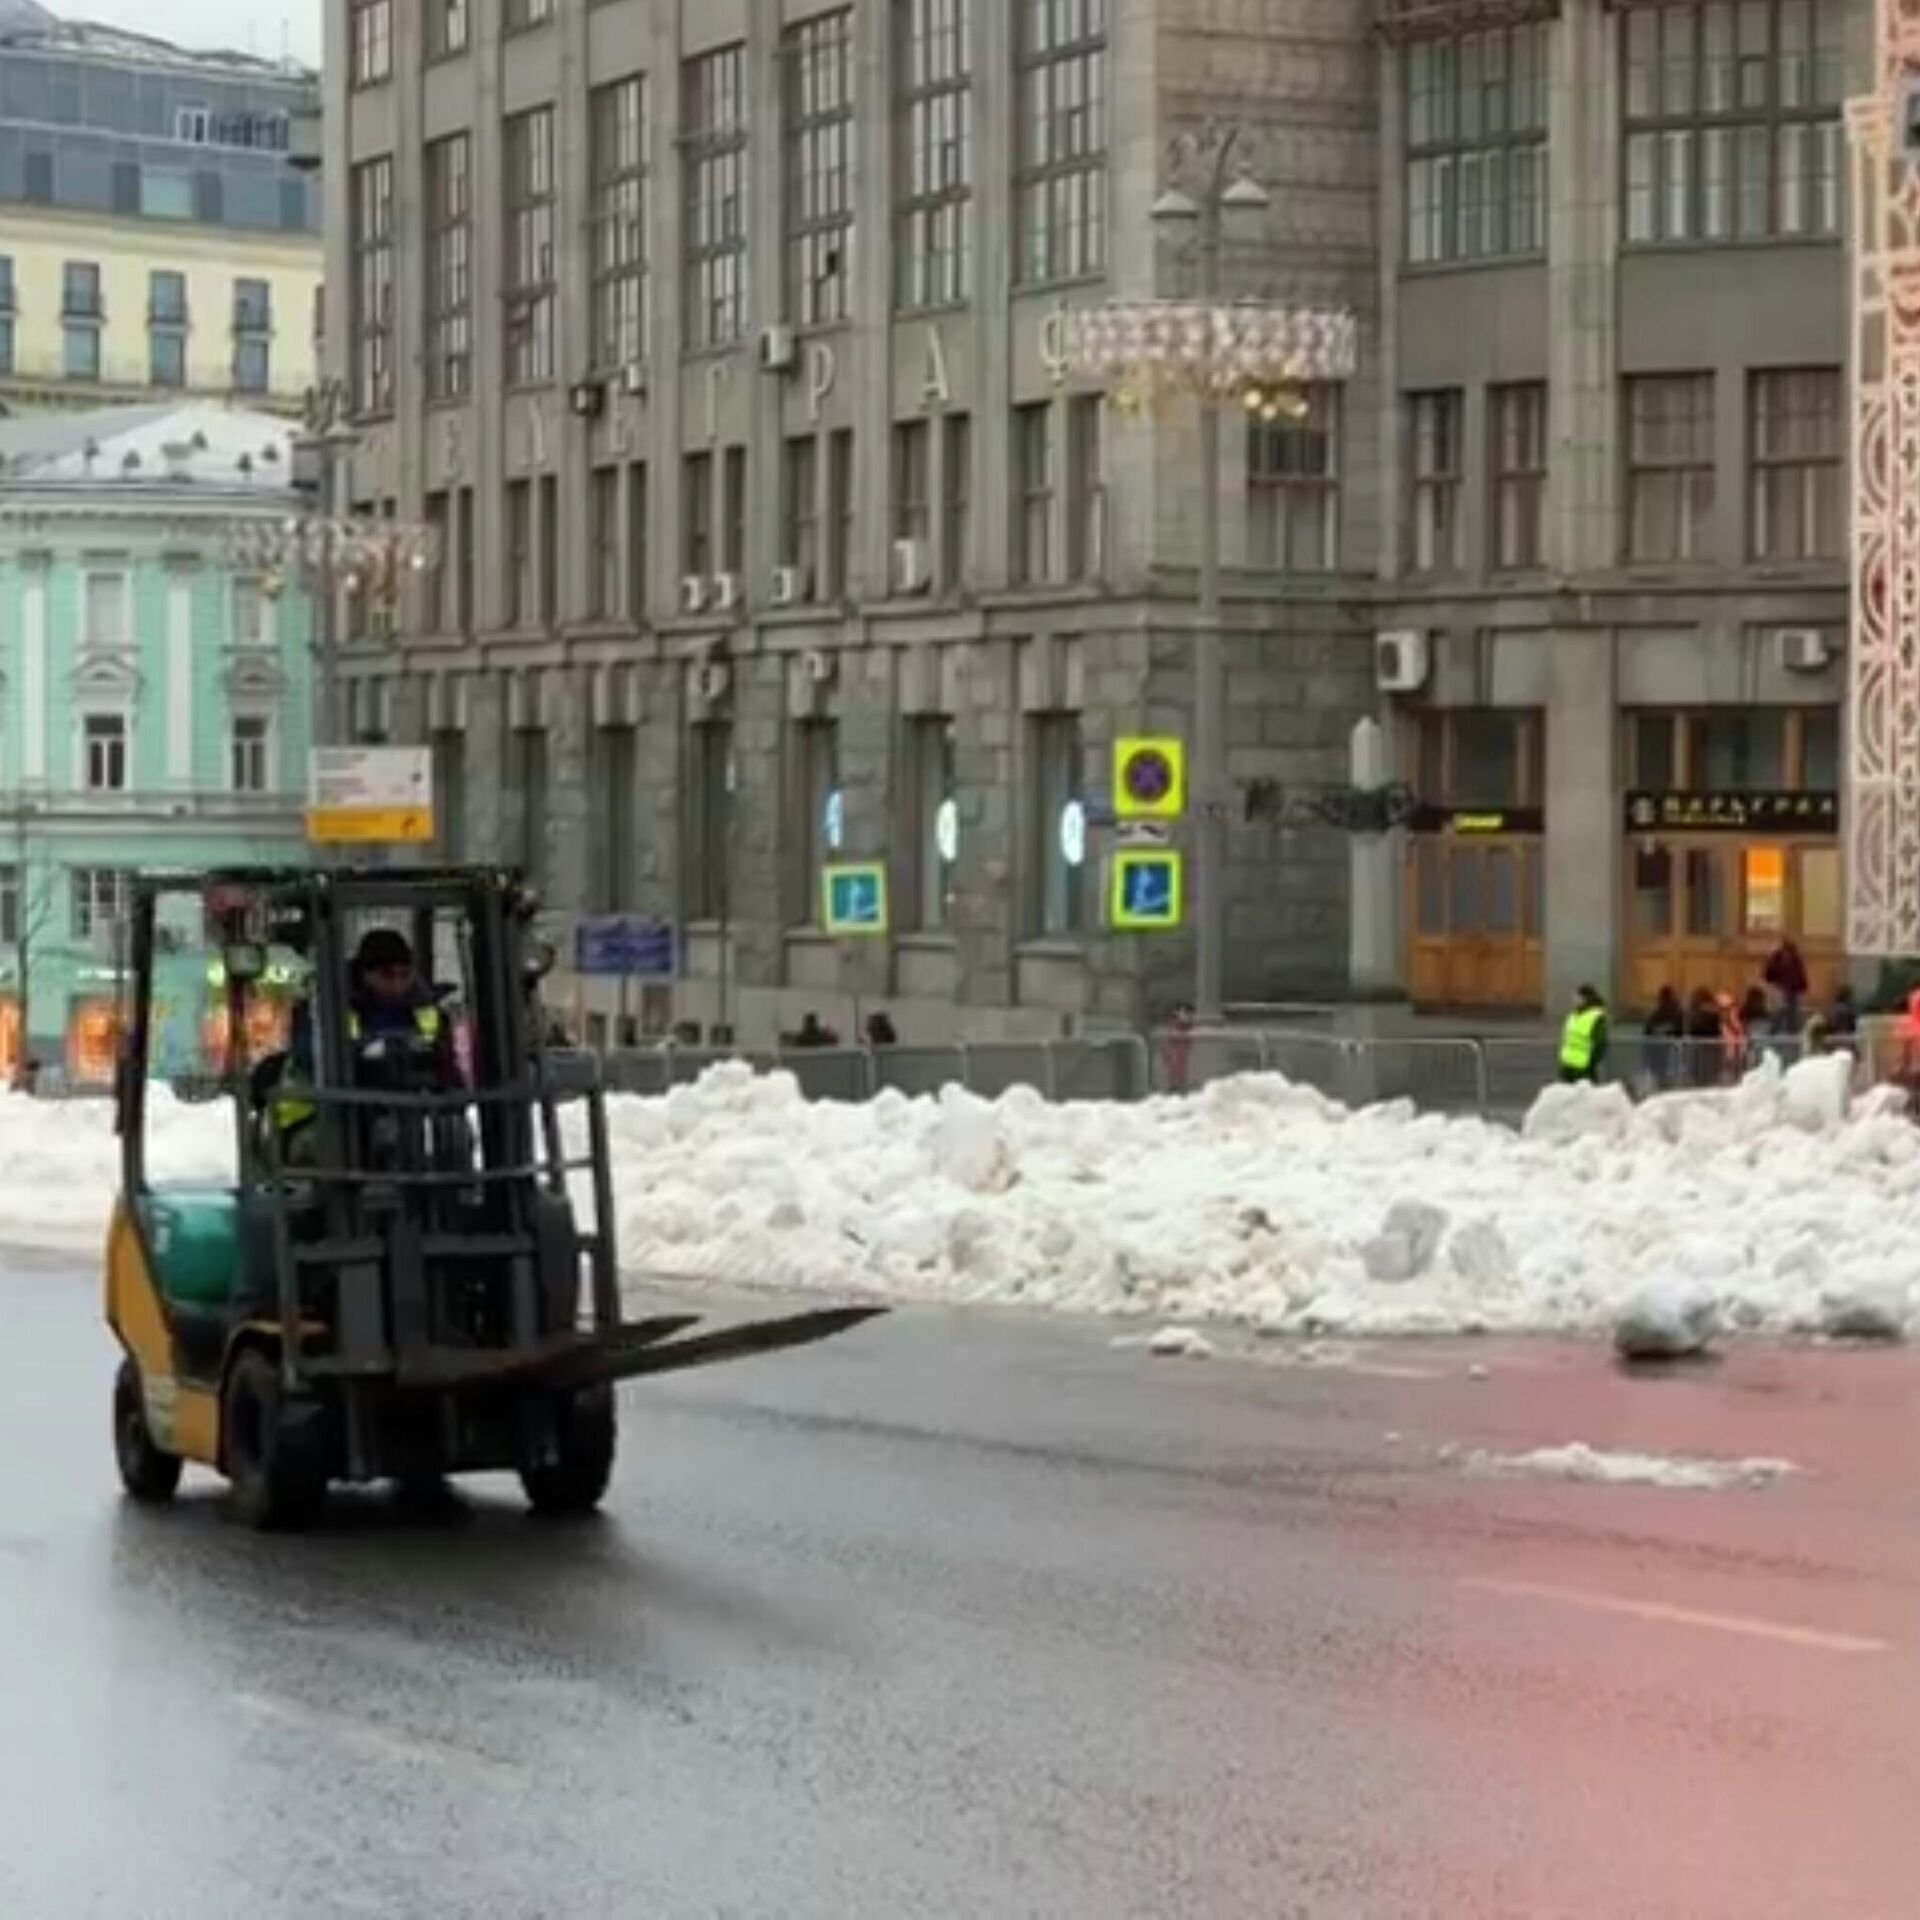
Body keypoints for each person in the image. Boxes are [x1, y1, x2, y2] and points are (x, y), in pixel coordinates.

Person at [1558, 984, 1609, 1085]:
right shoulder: (1573, 1015)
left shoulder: (1596, 1016)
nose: (1574, 999)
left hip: (1584, 1066)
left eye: (1576, 996)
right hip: (1568, 1063)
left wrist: (1592, 1062)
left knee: (1586, 1097)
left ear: (1585, 998)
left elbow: (1600, 1042)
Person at [1763, 936, 1810, 1037]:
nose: (1787, 952)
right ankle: (1775, 1031)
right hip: (1779, 988)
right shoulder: (1776, 958)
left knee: (1792, 1014)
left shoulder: (1796, 959)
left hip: (1793, 990)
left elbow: (1801, 975)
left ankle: (1791, 1032)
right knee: (1779, 1011)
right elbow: (1768, 974)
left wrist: (1802, 988)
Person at [1641, 985, 1685, 1092]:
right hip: (1671, 1055)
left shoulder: (1655, 1015)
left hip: (1658, 1055)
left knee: (1660, 1082)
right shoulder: (1678, 1014)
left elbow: (1647, 1034)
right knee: (1669, 1083)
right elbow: (1681, 1033)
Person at [1685, 988, 1722, 1087]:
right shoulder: (1714, 1014)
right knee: (1710, 1084)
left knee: (1698, 1083)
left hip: (1697, 1054)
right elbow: (1718, 1033)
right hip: (1711, 1054)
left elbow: (1690, 1033)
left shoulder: (1691, 1015)